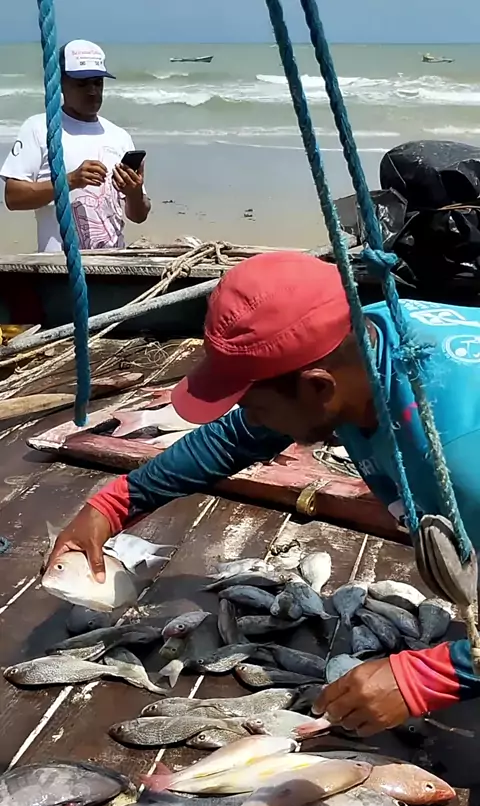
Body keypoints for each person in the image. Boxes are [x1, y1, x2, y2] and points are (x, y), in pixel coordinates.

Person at [47, 250, 480, 734]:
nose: (251, 420)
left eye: (255, 407)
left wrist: (435, 675)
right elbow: (236, 437)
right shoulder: (364, 338)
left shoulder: (460, 455)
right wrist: (116, 503)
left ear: (317, 389)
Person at [0, 39, 151, 252]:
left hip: (112, 263)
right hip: (59, 266)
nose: (92, 91)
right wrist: (70, 181)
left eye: (98, 82)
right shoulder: (40, 128)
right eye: (82, 83)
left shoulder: (119, 136)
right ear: (60, 83)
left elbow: (138, 216)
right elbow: (13, 197)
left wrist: (134, 194)